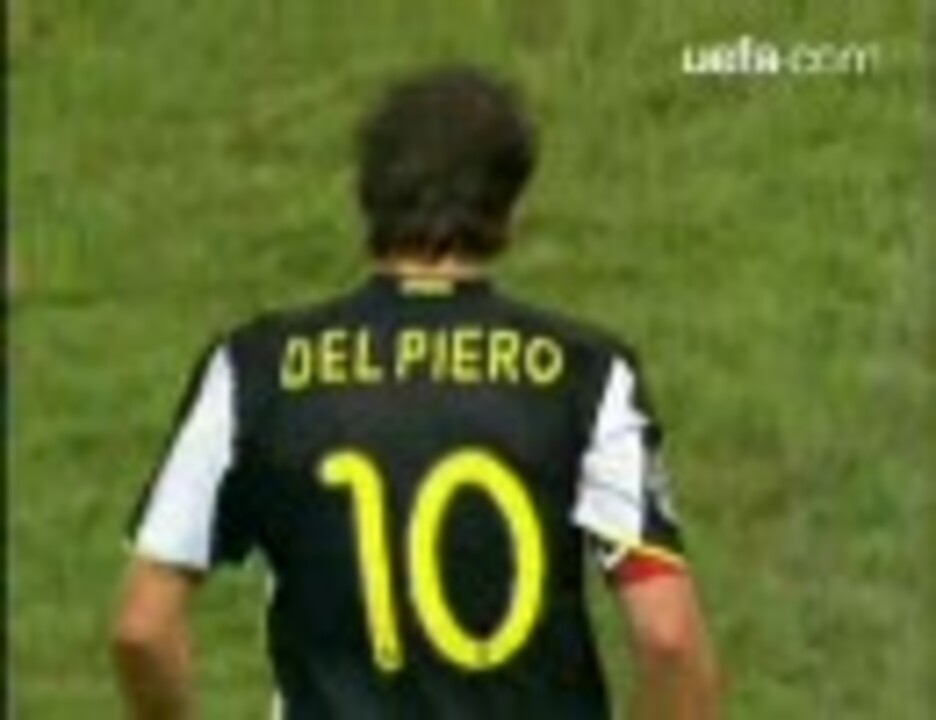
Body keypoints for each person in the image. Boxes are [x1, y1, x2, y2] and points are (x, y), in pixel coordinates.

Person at [112, 64, 720, 720]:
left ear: (367, 195)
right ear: (511, 205)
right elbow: (669, 639)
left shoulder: (254, 370)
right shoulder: (586, 376)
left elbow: (143, 628)